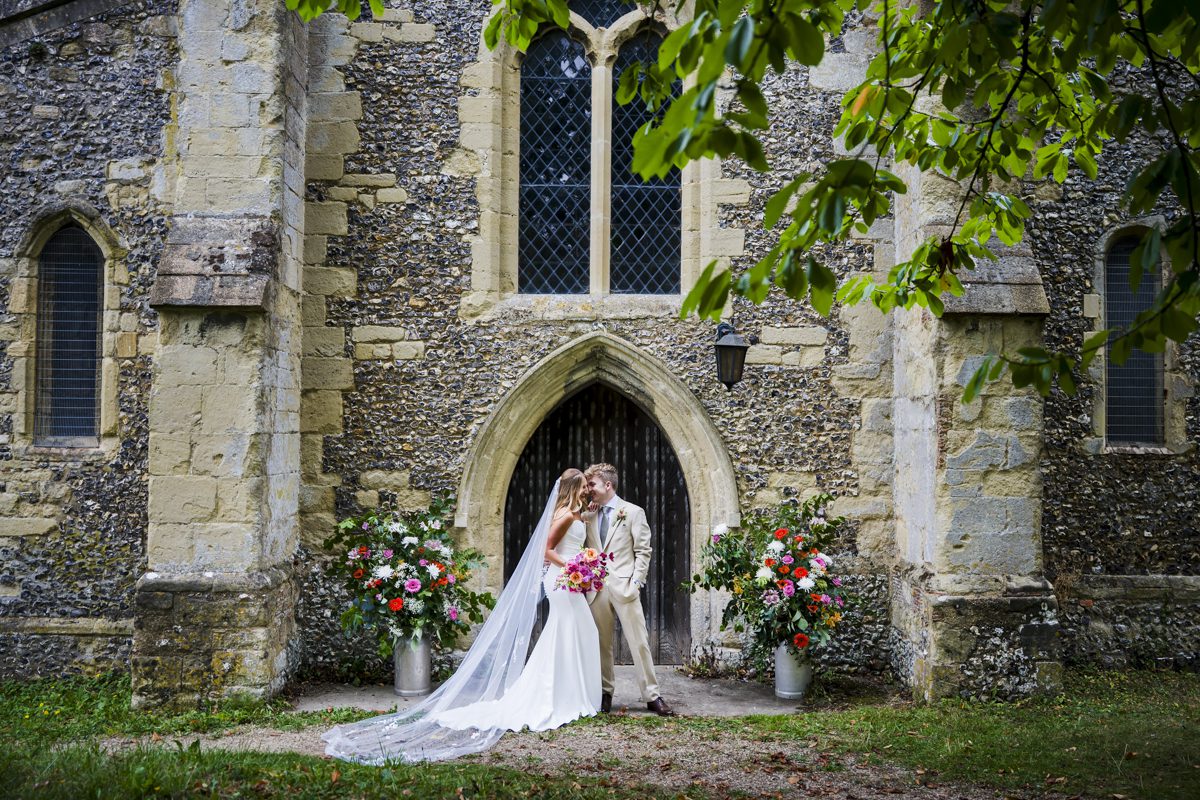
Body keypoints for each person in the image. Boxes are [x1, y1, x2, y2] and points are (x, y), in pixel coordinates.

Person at [322, 469, 600, 764]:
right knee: (573, 630)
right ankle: (564, 695)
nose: (586, 491)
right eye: (583, 486)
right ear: (573, 488)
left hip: (565, 580)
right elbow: (546, 551)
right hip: (561, 579)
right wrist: (573, 565)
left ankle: (569, 692)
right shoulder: (567, 516)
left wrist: (585, 540)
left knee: (572, 631)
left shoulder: (572, 514)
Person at [583, 463, 676, 717]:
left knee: (640, 642)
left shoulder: (633, 512)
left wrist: (636, 582)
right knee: (602, 644)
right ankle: (605, 693)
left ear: (607, 485)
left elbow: (643, 550)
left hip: (625, 587)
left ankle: (652, 696)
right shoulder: (588, 516)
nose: (588, 489)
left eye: (592, 484)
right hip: (597, 589)